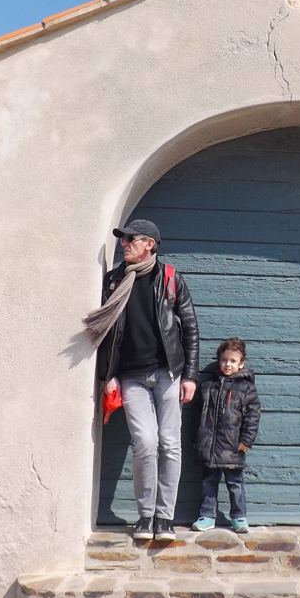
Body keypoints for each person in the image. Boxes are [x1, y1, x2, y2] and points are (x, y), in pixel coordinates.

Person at [83, 218, 199, 542]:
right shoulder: (114, 281)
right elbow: (105, 332)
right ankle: (146, 515)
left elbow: (190, 328)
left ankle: (165, 518)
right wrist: (108, 374)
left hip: (167, 373)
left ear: (149, 244)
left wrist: (190, 376)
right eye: (122, 239)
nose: (124, 244)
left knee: (170, 444)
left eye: (130, 239)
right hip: (130, 377)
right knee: (145, 443)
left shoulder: (170, 278)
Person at [192, 337, 261, 534]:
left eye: (233, 361)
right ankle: (207, 516)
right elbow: (196, 415)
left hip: (233, 446)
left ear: (241, 364)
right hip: (209, 446)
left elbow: (253, 416)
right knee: (208, 482)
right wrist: (196, 439)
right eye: (224, 360)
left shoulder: (247, 388)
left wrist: (246, 440)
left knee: (235, 483)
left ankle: (239, 517)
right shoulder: (207, 386)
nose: (227, 364)